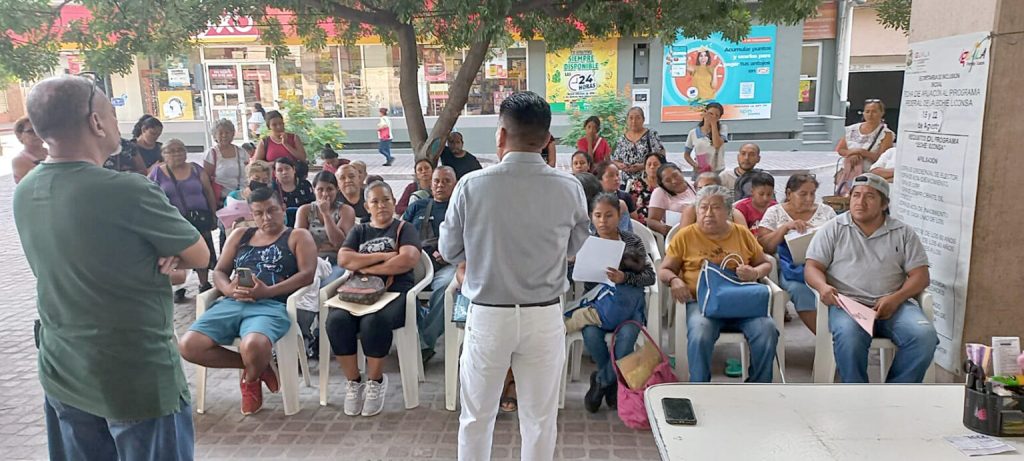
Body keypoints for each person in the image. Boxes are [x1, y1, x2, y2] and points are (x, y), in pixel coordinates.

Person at [15, 76, 209, 460]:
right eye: (112, 113)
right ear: (96, 122)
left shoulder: (27, 189)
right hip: (133, 374)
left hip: (63, 368)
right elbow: (200, 255)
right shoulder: (128, 190)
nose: (119, 122)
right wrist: (168, 258)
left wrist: (156, 261)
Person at [439, 91, 589, 461]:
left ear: (501, 134)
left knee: (476, 416)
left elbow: (450, 251)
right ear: (546, 139)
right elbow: (576, 247)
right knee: (539, 418)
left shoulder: (471, 185)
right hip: (544, 316)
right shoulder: (569, 186)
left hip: (489, 314)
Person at [179, 186, 317, 415]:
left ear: (283, 209)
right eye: (259, 213)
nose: (267, 218)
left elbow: (307, 275)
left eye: (272, 210)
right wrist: (228, 289)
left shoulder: (297, 236)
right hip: (232, 303)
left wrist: (269, 291)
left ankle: (251, 378)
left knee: (253, 345)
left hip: (271, 305)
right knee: (188, 346)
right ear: (252, 215)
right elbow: (220, 271)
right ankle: (257, 365)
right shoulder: (240, 235)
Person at [805, 173, 936, 383]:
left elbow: (921, 276)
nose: (860, 202)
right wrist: (822, 287)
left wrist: (896, 298)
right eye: (856, 195)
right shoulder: (834, 228)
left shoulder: (903, 232)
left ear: (884, 204)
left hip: (893, 305)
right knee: (849, 338)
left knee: (924, 337)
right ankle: (858, 395)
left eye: (870, 197)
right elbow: (813, 267)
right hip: (848, 306)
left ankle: (896, 394)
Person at [658, 185, 778, 382]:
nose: (708, 213)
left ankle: (759, 385)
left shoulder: (742, 233)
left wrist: (754, 272)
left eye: (716, 207)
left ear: (728, 212)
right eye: (703, 207)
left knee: (767, 330)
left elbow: (765, 263)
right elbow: (664, 270)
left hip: (741, 302)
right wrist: (675, 279)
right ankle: (700, 386)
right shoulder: (685, 235)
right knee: (700, 332)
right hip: (702, 303)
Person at [327, 181, 421, 417]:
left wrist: (367, 267)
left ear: (393, 201)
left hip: (395, 292)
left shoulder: (404, 228)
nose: (382, 205)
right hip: (359, 292)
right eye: (375, 201)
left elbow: (407, 260)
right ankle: (354, 382)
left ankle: (375, 381)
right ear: (367, 206)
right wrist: (382, 257)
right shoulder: (360, 231)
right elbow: (345, 260)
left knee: (373, 322)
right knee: (336, 321)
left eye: (386, 199)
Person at [565, 193, 654, 413]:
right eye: (598, 216)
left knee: (625, 343)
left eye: (609, 215)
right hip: (597, 307)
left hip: (628, 308)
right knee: (592, 336)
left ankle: (602, 382)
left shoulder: (632, 241)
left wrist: (625, 278)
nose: (603, 221)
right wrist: (570, 262)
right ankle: (612, 383)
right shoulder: (584, 242)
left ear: (619, 215)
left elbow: (650, 276)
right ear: (591, 217)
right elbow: (568, 277)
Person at [757, 174, 837, 333]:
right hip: (792, 270)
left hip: (826, 266)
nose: (809, 199)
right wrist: (785, 228)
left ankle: (841, 332)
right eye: (803, 194)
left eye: (812, 193)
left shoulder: (826, 212)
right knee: (799, 290)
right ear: (788, 194)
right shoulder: (775, 212)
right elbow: (765, 247)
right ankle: (827, 340)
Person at [149, 139, 220, 301]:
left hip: (199, 219)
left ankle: (204, 284)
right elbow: (150, 197)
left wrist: (213, 214)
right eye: (172, 151)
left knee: (203, 249)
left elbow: (208, 192)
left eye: (180, 150)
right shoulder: (157, 173)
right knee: (176, 254)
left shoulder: (196, 169)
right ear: (164, 154)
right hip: (172, 222)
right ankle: (180, 287)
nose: (177, 153)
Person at [402, 166, 458, 364]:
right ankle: (422, 337)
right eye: (436, 181)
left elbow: (471, 239)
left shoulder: (461, 208)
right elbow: (399, 234)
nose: (440, 185)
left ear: (455, 184)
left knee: (446, 288)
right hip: (419, 264)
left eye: (446, 181)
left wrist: (450, 253)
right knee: (401, 286)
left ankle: (425, 342)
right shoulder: (417, 207)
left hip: (449, 265)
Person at [296, 171, 357, 284]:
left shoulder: (346, 210)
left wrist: (326, 214)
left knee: (323, 285)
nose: (325, 194)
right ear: (314, 190)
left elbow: (340, 243)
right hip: (311, 260)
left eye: (329, 189)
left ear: (337, 190)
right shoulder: (304, 210)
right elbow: (299, 243)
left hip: (337, 261)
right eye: (320, 189)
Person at [835, 99, 894, 195]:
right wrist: (852, 154)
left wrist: (862, 152)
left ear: (882, 113)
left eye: (874, 111)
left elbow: (882, 158)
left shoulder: (886, 134)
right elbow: (840, 149)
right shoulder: (851, 129)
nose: (870, 115)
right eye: (867, 111)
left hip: (869, 176)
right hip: (848, 171)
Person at [612, 107, 665, 186]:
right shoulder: (621, 139)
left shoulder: (651, 135)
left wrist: (643, 166)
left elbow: (661, 157)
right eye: (631, 118)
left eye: (638, 118)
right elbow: (615, 160)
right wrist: (620, 165)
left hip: (647, 182)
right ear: (627, 120)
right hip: (626, 183)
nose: (634, 121)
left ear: (643, 119)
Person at [204, 119, 248, 205]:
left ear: (232, 134)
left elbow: (248, 173)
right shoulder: (212, 153)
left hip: (242, 198)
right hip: (221, 200)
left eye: (227, 132)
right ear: (215, 136)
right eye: (220, 133)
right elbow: (206, 180)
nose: (224, 135)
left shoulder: (241, 152)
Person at [679, 173, 748, 228]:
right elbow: (683, 239)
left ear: (720, 187)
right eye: (700, 188)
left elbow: (745, 237)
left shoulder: (733, 212)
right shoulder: (691, 209)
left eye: (708, 187)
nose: (704, 191)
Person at [647, 163, 698, 235]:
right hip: (676, 234)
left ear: (680, 172)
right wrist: (665, 229)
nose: (674, 181)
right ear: (663, 184)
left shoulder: (695, 186)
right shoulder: (660, 192)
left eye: (675, 175)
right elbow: (651, 221)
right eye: (668, 180)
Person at [684, 102, 728, 178]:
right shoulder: (693, 133)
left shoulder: (722, 128)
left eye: (716, 115)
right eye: (710, 114)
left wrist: (713, 124)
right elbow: (686, 154)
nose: (712, 117)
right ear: (705, 113)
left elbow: (717, 144)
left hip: (717, 171)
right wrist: (695, 165)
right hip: (701, 171)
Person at [628, 152, 665, 225]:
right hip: (642, 224)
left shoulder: (666, 184)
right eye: (649, 164)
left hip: (663, 223)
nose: (652, 167)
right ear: (645, 167)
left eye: (655, 164)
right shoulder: (637, 184)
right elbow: (630, 207)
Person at [12, 116, 49, 183]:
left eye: (39, 130)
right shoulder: (19, 160)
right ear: (19, 135)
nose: (37, 134)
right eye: (31, 131)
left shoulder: (51, 153)